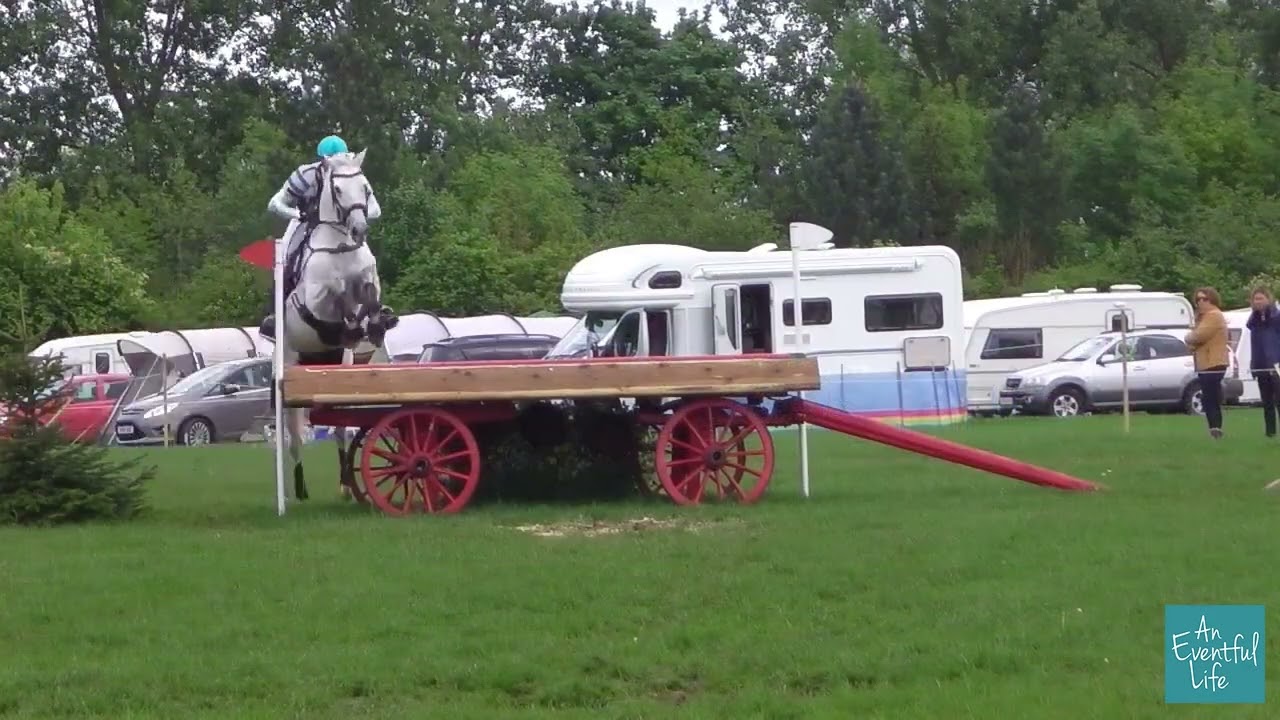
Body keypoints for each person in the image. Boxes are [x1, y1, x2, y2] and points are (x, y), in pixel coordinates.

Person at [259, 134, 371, 340]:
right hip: (305, 223)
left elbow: (374, 209)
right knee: (284, 257)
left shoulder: (353, 174)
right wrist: (297, 214)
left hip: (341, 226)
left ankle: (375, 308)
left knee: (365, 259)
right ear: (323, 160)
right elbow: (275, 203)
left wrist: (359, 215)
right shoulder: (306, 174)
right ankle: (274, 317)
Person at [1184, 286, 1230, 439]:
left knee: (1211, 397)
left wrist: (1189, 337)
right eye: (1198, 299)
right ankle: (1214, 428)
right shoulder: (1203, 317)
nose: (1200, 302)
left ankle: (1215, 428)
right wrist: (1193, 340)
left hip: (1213, 362)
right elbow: (1195, 341)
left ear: (1213, 299)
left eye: (1204, 298)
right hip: (1205, 362)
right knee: (1209, 396)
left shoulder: (1213, 315)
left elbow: (1198, 336)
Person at [1246, 286, 1280, 437]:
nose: (1258, 302)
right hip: (1260, 366)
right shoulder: (1253, 321)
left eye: (1261, 298)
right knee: (1266, 402)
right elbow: (1254, 345)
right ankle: (1270, 433)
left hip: (1276, 365)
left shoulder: (1276, 318)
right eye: (1255, 299)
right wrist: (1253, 364)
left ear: (1268, 299)